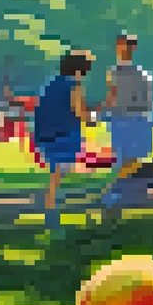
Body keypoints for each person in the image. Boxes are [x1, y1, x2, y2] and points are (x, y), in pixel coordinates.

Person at [36, 50, 95, 231]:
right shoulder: (74, 84)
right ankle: (51, 214)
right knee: (58, 174)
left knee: (58, 172)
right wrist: (91, 118)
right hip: (64, 133)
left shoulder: (51, 83)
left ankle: (51, 210)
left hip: (45, 133)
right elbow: (78, 111)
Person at [101, 33, 153, 206]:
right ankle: (122, 192)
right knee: (128, 158)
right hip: (129, 117)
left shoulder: (118, 73)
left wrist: (99, 110)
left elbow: (112, 97)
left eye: (123, 46)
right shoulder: (141, 74)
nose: (120, 49)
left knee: (129, 158)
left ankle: (120, 192)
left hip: (128, 117)